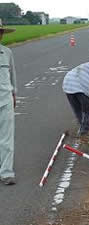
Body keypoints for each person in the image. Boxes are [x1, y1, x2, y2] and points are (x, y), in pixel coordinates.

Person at [0, 19, 17, 185]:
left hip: (5, 99)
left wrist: (14, 93)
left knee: (6, 138)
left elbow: (13, 75)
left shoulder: (7, 52)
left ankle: (6, 173)